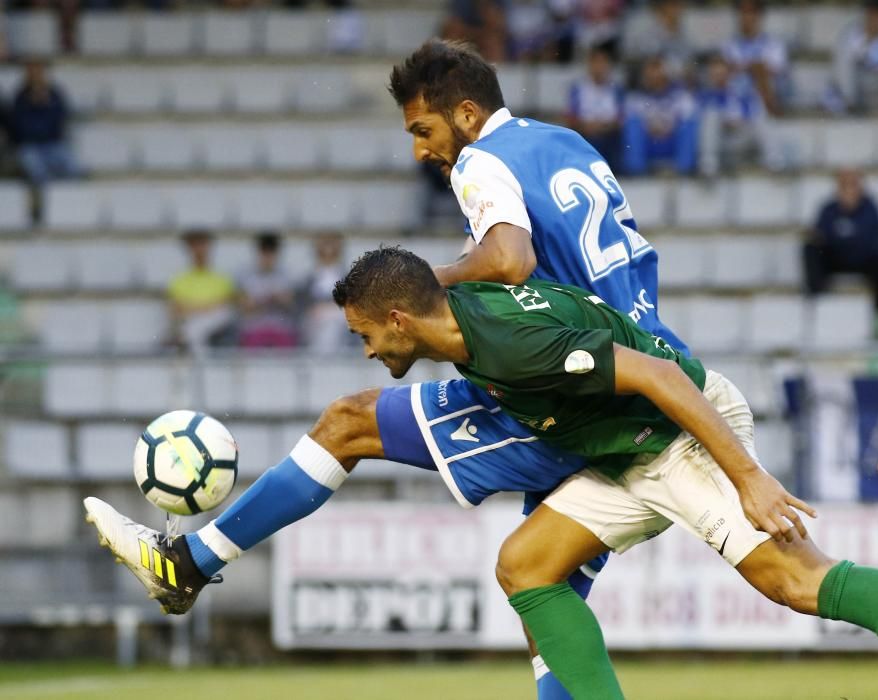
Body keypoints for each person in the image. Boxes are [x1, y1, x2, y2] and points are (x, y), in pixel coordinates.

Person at [83, 40, 795, 700]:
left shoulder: (482, 162)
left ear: (464, 113)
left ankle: (190, 563)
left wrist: (423, 284)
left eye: (423, 131)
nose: (422, 151)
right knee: (544, 593)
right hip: (629, 365)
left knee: (348, 424)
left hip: (566, 384)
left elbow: (511, 259)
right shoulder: (564, 143)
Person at [328, 247, 878, 697]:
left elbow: (660, 378)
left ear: (399, 320)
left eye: (366, 334)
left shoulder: (508, 342)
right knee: (525, 565)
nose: (368, 351)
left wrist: (748, 479)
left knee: (798, 584)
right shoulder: (469, 313)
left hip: (678, 432)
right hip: (626, 453)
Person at [802, 168, 878, 310]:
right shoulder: (828, 209)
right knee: (810, 249)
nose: (849, 191)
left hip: (864, 260)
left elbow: (874, 239)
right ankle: (818, 301)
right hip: (836, 260)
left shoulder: (871, 208)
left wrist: (843, 241)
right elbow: (820, 238)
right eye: (844, 186)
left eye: (853, 185)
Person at [8, 60, 81, 187]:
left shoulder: (54, 95)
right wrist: (32, 106)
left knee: (74, 168)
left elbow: (60, 121)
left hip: (53, 144)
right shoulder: (20, 98)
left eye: (39, 73)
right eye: (33, 73)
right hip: (30, 146)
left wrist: (46, 105)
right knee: (35, 168)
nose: (36, 76)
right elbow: (19, 127)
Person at [621, 55, 698, 176]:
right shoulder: (635, 98)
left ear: (666, 75)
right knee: (632, 124)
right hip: (649, 142)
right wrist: (651, 128)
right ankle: (636, 171)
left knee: (689, 124)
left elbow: (688, 115)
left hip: (671, 141)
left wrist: (668, 127)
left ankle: (684, 170)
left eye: (658, 73)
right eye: (651, 75)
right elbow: (631, 119)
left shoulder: (681, 96)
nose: (655, 78)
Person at [832, 0, 878, 114]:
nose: (875, 18)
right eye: (871, 13)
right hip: (858, 85)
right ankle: (850, 106)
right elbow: (843, 65)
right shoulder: (851, 34)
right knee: (844, 63)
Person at [167, 230, 237, 353]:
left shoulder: (222, 277)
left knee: (198, 327)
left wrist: (196, 307)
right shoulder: (179, 279)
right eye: (195, 245)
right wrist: (206, 307)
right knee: (193, 327)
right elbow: (176, 309)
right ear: (189, 249)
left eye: (202, 245)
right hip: (193, 319)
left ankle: (191, 350)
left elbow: (226, 304)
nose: (199, 250)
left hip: (216, 323)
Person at [722, 0, 788, 116]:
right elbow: (724, 74)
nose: (746, 17)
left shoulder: (774, 46)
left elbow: (774, 75)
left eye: (751, 12)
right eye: (742, 12)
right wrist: (753, 67)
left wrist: (745, 67)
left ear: (759, 15)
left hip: (763, 107)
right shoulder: (728, 46)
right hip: (733, 108)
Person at [565, 45, 624, 171]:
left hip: (609, 134)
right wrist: (586, 126)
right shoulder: (578, 88)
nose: (599, 67)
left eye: (603, 63)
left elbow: (621, 117)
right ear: (589, 65)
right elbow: (570, 116)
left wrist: (603, 127)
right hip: (584, 132)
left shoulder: (615, 89)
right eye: (596, 62)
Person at [237, 232, 298, 349]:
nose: (268, 256)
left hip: (280, 328)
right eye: (265, 252)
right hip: (254, 327)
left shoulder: (286, 275)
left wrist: (276, 298)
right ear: (259, 252)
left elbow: (290, 303)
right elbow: (243, 305)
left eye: (272, 252)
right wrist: (263, 300)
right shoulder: (246, 275)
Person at [300, 233, 350, 353]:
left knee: (333, 323)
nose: (328, 250)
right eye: (324, 245)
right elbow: (303, 303)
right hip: (315, 320)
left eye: (332, 245)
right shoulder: (309, 278)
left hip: (340, 318)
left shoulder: (347, 277)